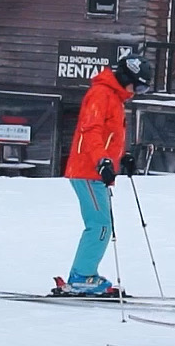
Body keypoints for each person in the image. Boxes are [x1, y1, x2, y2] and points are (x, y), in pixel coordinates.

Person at [56, 53, 151, 296]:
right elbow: (91, 131)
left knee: (101, 224)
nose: (138, 91)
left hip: (95, 170)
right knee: (100, 225)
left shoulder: (114, 97)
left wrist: (122, 157)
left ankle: (83, 274)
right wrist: (102, 162)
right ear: (126, 75)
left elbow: (109, 136)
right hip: (87, 169)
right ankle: (81, 276)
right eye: (138, 85)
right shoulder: (101, 94)